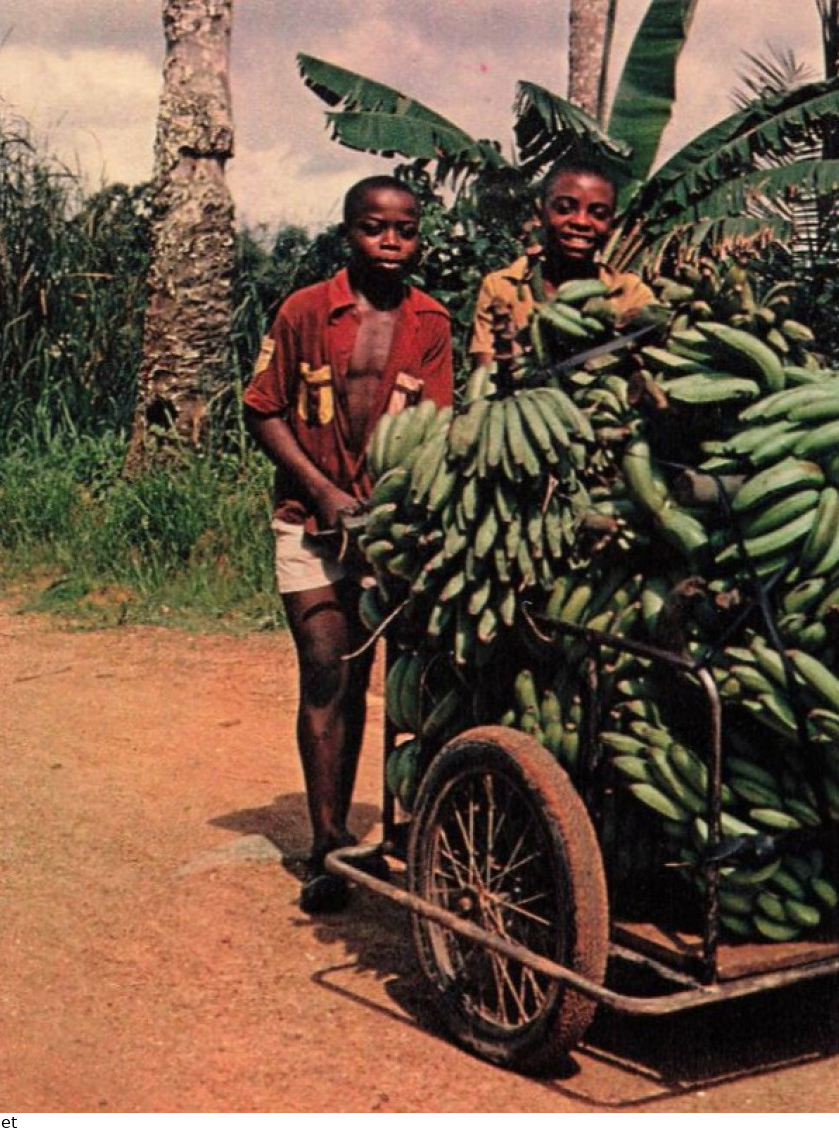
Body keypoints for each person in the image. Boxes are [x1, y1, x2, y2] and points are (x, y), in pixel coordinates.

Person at [243, 175, 453, 914]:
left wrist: (394, 512)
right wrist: (326, 492)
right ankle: (327, 840)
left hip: (391, 529)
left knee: (388, 681)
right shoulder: (305, 309)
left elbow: (436, 425)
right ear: (347, 233)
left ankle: (398, 833)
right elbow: (264, 409)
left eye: (404, 229)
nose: (390, 242)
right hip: (310, 517)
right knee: (328, 672)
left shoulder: (431, 320)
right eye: (374, 228)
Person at [467, 158, 657, 370]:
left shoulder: (628, 292)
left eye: (599, 214)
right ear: (540, 213)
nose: (581, 222)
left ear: (612, 224)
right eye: (565, 208)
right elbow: (485, 374)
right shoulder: (502, 286)